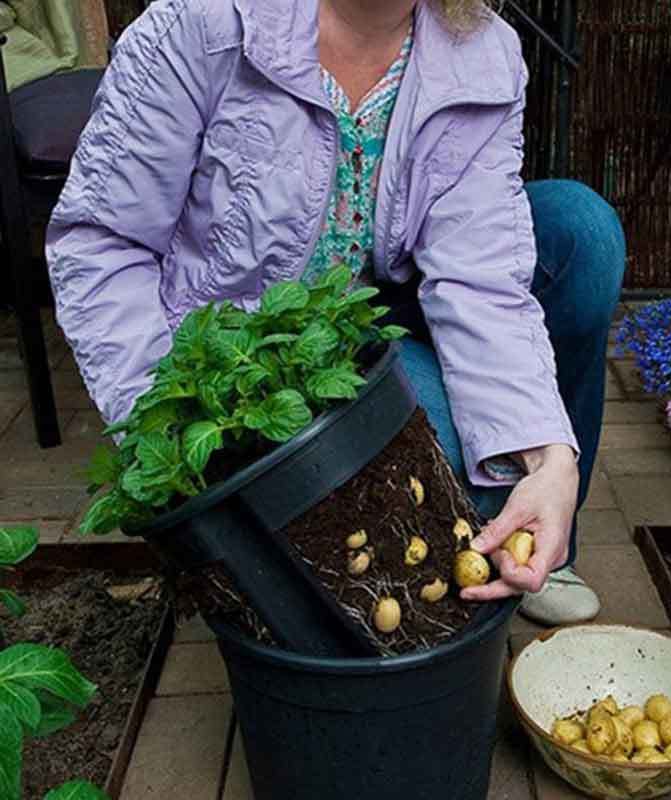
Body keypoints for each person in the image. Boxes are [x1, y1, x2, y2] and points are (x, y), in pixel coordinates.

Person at [46, 0, 625, 625]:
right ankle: (480, 533)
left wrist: (548, 456)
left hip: (391, 299)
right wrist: (171, 428)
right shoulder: (204, 26)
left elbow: (480, 279)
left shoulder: (481, 51)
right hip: (264, 346)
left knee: (579, 235)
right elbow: (103, 242)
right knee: (449, 460)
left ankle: (540, 528)